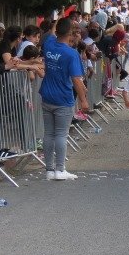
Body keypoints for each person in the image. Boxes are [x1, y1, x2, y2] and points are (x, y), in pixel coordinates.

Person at [38, 17, 89, 180]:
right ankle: (60, 169)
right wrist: (83, 100)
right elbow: (76, 79)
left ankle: (49, 170)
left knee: (49, 134)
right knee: (61, 134)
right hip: (63, 97)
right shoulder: (71, 53)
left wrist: (60, 21)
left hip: (47, 95)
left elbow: (52, 32)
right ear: (70, 33)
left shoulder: (48, 44)